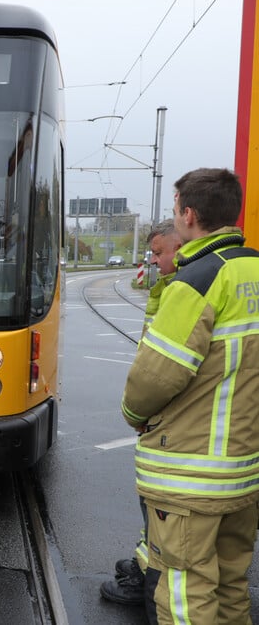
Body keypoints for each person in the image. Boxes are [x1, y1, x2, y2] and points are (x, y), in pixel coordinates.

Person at [120, 168, 259, 623]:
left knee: (186, 590)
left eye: (176, 207)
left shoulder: (197, 280)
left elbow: (154, 379)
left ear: (190, 214)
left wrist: (131, 412)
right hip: (244, 470)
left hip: (192, 477)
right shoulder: (253, 269)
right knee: (231, 585)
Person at [100, 219, 183, 606]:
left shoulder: (185, 291)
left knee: (164, 510)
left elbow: (163, 370)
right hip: (169, 422)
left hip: (171, 423)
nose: (152, 259)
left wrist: (135, 411)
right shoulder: (167, 286)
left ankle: (150, 580)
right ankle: (145, 564)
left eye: (159, 252)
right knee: (154, 506)